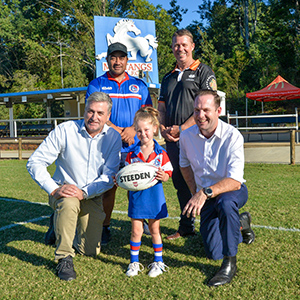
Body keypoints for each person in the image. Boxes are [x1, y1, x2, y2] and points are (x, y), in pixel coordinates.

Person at [27, 92, 122, 281]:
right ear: (84, 110)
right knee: (69, 204)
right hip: (63, 191)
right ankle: (64, 258)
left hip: (90, 195)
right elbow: (35, 162)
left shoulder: (113, 137)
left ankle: (59, 225)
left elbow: (109, 175)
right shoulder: (65, 130)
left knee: (89, 251)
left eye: (100, 113)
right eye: (90, 111)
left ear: (108, 116)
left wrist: (85, 192)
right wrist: (54, 189)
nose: (94, 117)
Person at [179, 89, 255, 286]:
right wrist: (195, 192)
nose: (200, 115)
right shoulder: (186, 136)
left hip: (231, 192)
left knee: (226, 202)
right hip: (206, 196)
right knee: (213, 251)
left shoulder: (233, 136)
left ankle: (230, 263)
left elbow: (235, 181)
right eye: (196, 110)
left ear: (218, 110)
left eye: (206, 110)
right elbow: (184, 165)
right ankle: (240, 222)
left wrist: (204, 193)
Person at [86, 42, 153, 245]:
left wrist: (133, 129)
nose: (117, 61)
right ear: (107, 60)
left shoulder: (139, 85)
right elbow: (94, 113)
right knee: (109, 188)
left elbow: (148, 113)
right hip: (108, 144)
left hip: (135, 145)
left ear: (127, 60)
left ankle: (146, 226)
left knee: (142, 185)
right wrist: (118, 131)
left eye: (121, 57)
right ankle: (105, 227)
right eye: (113, 57)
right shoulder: (97, 84)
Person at [158, 29, 217, 240]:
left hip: (198, 138)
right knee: (181, 183)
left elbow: (207, 105)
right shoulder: (168, 76)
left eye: (184, 44)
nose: (179, 48)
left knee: (207, 179)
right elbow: (161, 108)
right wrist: (163, 128)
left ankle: (229, 220)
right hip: (173, 140)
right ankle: (186, 226)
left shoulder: (203, 71)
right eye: (176, 45)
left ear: (192, 46)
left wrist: (183, 128)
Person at [123, 107, 173, 278]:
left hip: (154, 197)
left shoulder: (161, 153)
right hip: (137, 197)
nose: (143, 134)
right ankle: (133, 262)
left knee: (154, 230)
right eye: (139, 130)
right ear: (135, 132)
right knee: (136, 231)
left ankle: (158, 262)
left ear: (154, 128)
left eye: (146, 130)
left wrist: (164, 176)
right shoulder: (131, 153)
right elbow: (126, 174)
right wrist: (120, 179)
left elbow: (168, 173)